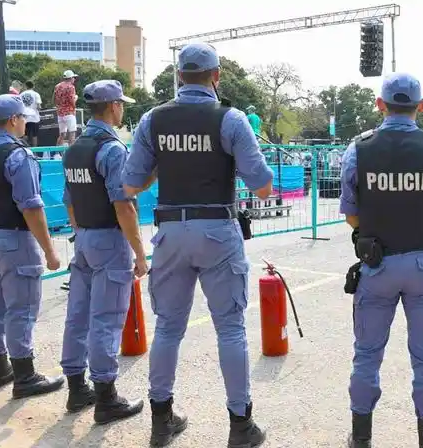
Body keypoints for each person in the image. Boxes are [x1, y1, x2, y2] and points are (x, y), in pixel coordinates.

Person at [121, 42, 273, 448]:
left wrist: (164, 166)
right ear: (216, 76)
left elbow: (131, 183)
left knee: (168, 328)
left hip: (171, 232)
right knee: (231, 329)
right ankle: (241, 426)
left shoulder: (153, 119)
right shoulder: (232, 119)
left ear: (178, 77)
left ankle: (161, 419)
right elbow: (262, 186)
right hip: (217, 231)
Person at [339, 72, 423, 448]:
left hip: (377, 263)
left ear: (380, 104)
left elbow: (350, 213)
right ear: (420, 107)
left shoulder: (358, 149)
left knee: (367, 354)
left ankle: (361, 439)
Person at [0, 94, 64, 398]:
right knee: (21, 307)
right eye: (23, 118)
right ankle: (25, 375)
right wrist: (49, 250)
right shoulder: (19, 155)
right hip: (13, 239)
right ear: (13, 120)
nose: (25, 123)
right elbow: (31, 207)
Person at [59, 80, 146, 424]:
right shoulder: (112, 149)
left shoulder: (74, 149)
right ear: (113, 107)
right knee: (106, 319)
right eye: (121, 104)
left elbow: (70, 203)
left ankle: (77, 388)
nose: (122, 109)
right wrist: (139, 253)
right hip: (109, 240)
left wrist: (81, 234)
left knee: (77, 315)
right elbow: (124, 206)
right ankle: (107, 398)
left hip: (83, 239)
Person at [55, 69, 79, 147]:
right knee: (72, 134)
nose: (74, 79)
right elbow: (71, 101)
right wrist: (76, 98)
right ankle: (70, 155)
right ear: (71, 78)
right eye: (73, 78)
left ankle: (57, 153)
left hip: (60, 113)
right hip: (69, 113)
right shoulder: (71, 87)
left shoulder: (57, 86)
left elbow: (54, 98)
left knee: (62, 134)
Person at [20, 81, 42, 148]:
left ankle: (24, 150)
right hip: (34, 118)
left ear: (26, 86)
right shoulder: (36, 94)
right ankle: (35, 153)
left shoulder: (21, 95)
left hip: (24, 118)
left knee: (25, 135)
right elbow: (38, 107)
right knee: (34, 136)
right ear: (33, 86)